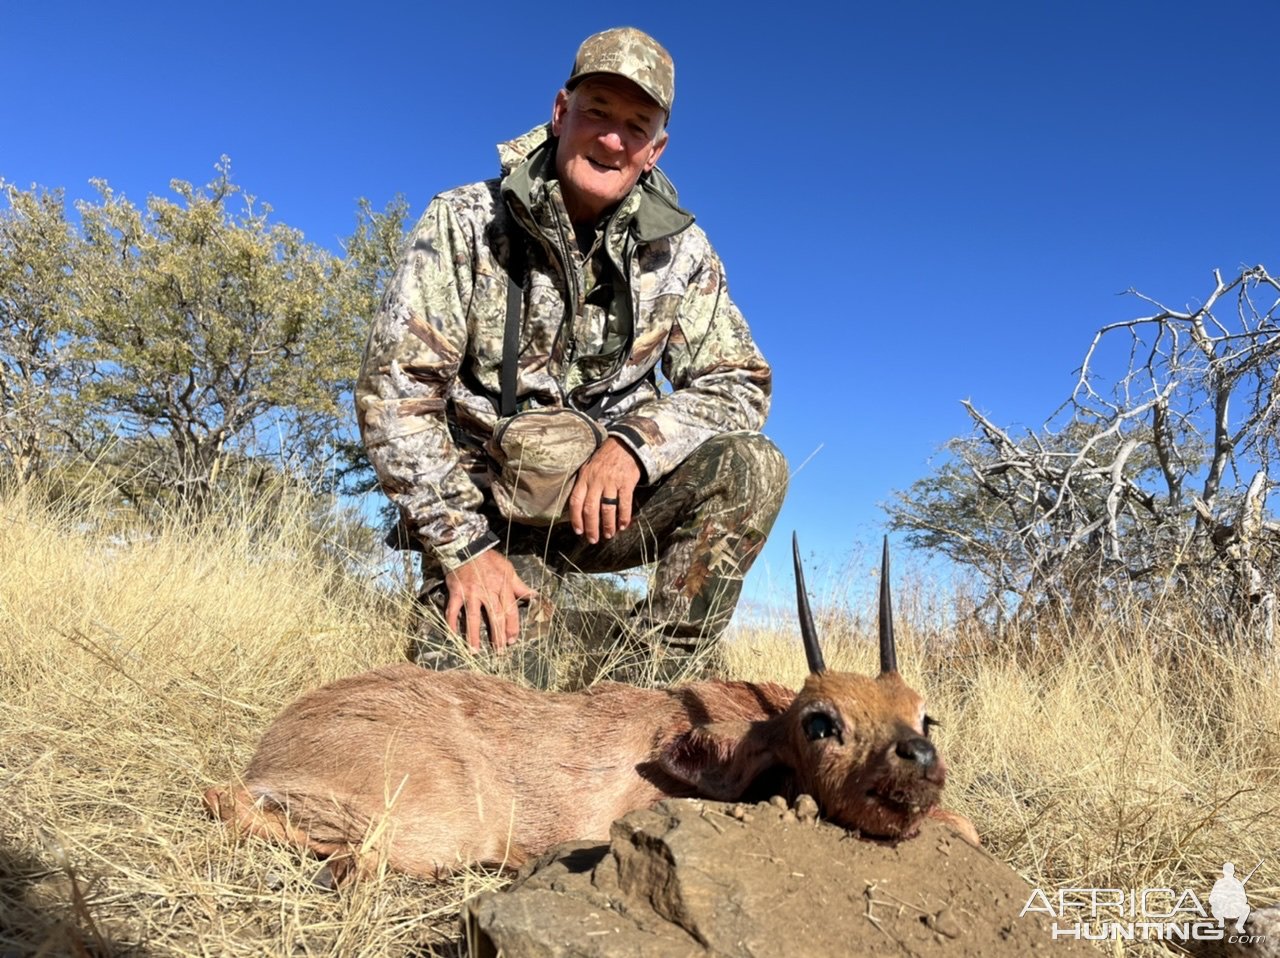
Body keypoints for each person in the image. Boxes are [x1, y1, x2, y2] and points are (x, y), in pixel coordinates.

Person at [356, 26, 786, 680]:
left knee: (752, 467)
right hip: (487, 518)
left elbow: (739, 383)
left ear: (655, 149)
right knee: (477, 711)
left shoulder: (683, 253)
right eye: (598, 114)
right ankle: (514, 622)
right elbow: (397, 398)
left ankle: (647, 686)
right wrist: (465, 551)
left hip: (607, 512)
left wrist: (635, 445)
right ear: (561, 113)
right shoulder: (464, 221)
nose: (612, 139)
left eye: (635, 126)